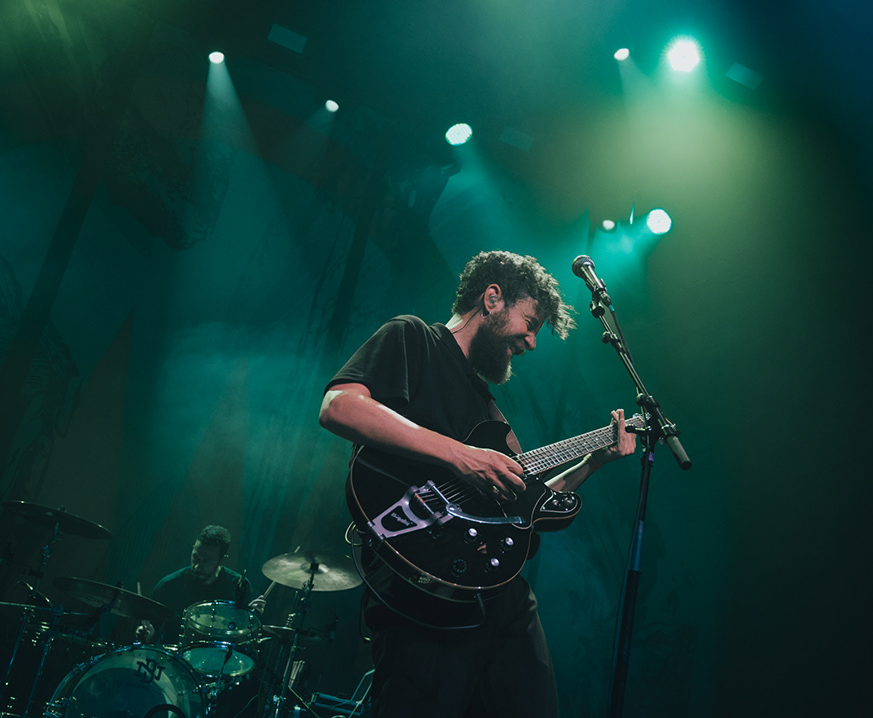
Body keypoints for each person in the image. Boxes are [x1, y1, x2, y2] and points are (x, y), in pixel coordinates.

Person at [319, 250, 637, 717]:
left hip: (496, 592)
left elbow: (526, 505)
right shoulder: (413, 337)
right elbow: (339, 406)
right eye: (530, 324)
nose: (531, 343)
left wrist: (594, 460)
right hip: (421, 589)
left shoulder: (489, 408)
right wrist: (460, 455)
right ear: (492, 299)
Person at [137, 525, 264, 642]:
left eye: (206, 561)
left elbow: (242, 634)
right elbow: (150, 627)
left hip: (219, 656)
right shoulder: (169, 585)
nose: (197, 566)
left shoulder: (239, 586)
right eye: (195, 557)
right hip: (173, 656)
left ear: (222, 560)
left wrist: (250, 617)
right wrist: (147, 633)